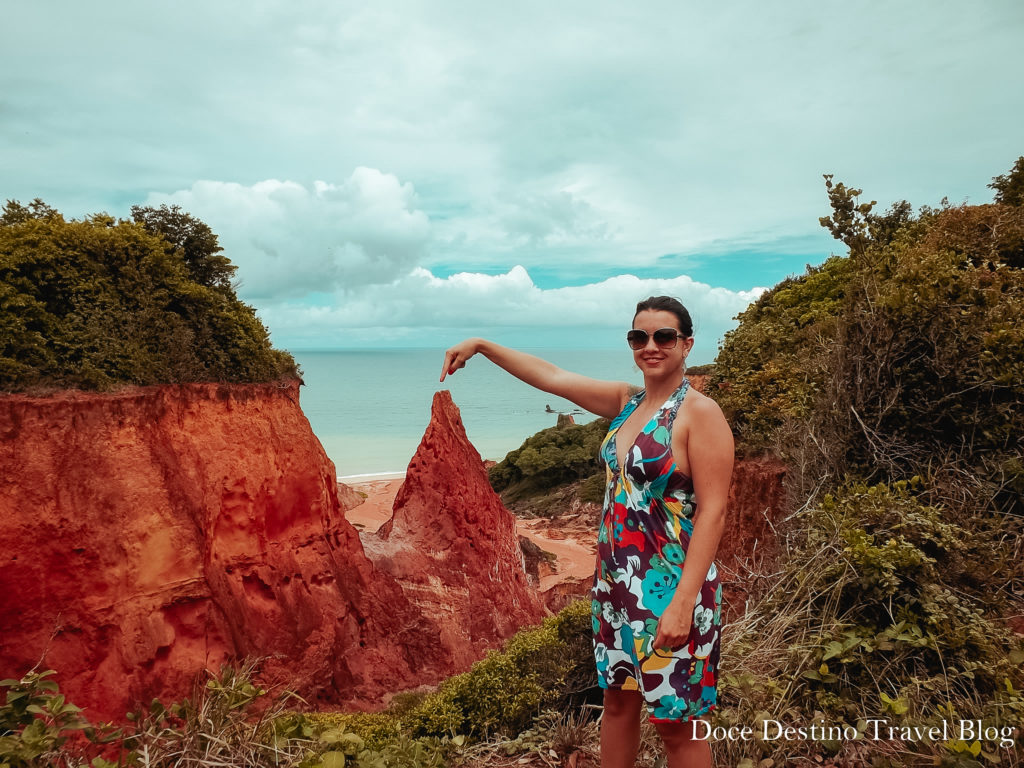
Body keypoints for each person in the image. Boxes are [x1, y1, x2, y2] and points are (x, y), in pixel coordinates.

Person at [440, 295, 734, 768]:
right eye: (639, 337)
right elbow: (552, 378)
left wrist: (683, 603)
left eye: (664, 337)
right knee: (617, 705)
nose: (650, 346)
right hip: (615, 586)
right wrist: (482, 345)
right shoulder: (627, 402)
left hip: (672, 588)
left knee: (677, 726)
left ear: (686, 344)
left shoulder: (700, 414)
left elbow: (714, 513)